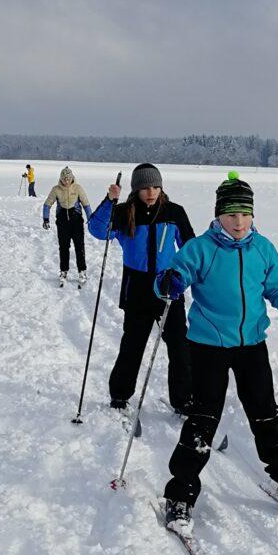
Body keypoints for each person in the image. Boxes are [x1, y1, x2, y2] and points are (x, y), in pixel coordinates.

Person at [154, 171, 278, 536]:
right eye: (232, 214)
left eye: (245, 214)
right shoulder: (201, 248)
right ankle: (180, 494)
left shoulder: (263, 249)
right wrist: (171, 282)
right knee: (203, 419)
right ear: (219, 215)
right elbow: (172, 274)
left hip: (251, 346)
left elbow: (277, 289)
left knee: (266, 412)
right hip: (208, 346)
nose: (239, 222)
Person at [87, 163, 195, 413]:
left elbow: (191, 248)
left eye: (156, 186)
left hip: (169, 288)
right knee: (133, 345)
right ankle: (120, 395)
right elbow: (97, 230)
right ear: (136, 189)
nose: (151, 191)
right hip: (137, 288)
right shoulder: (124, 212)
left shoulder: (174, 212)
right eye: (145, 187)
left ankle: (184, 399)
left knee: (180, 345)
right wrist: (108, 201)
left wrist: (181, 275)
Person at [42, 167, 92, 286]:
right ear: (61, 178)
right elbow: (47, 205)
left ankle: (82, 271)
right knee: (64, 248)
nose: (66, 181)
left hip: (77, 222)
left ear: (72, 178)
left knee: (79, 247)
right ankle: (64, 271)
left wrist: (91, 219)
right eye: (64, 178)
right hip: (62, 222)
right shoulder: (56, 189)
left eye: (69, 178)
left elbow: (86, 204)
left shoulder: (78, 188)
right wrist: (46, 219)